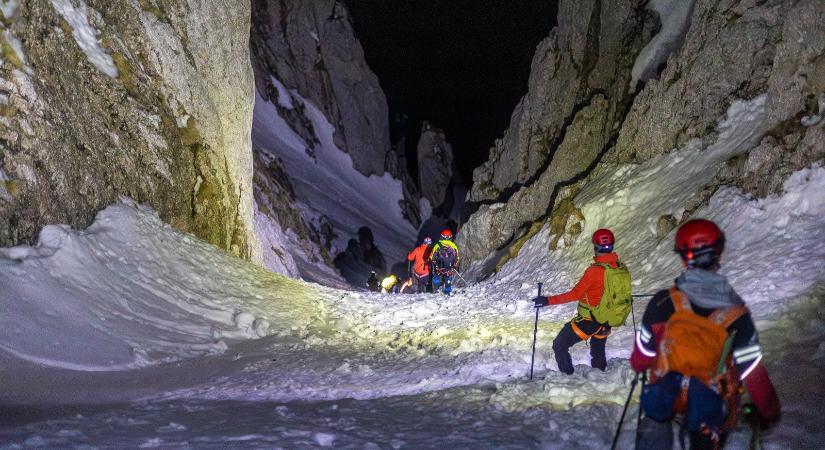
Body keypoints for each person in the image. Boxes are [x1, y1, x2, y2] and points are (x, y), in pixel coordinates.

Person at [631, 219, 780, 449]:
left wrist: (645, 367)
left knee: (655, 414)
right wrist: (769, 412)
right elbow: (753, 372)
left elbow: (641, 356)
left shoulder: (661, 303)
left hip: (668, 395)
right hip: (711, 402)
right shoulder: (736, 314)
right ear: (719, 254)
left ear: (683, 257)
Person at [534, 228, 631, 374]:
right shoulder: (619, 267)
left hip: (589, 321)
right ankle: (600, 379)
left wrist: (547, 300)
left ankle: (568, 378)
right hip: (608, 319)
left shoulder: (595, 271)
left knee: (559, 345)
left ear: (595, 246)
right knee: (598, 349)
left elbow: (575, 294)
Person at [430, 229, 460, 295]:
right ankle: (448, 290)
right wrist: (455, 265)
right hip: (449, 267)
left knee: (436, 276)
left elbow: (432, 257)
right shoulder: (453, 246)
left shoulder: (437, 245)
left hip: (439, 267)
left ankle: (436, 290)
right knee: (448, 277)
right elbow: (457, 257)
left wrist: (434, 262)